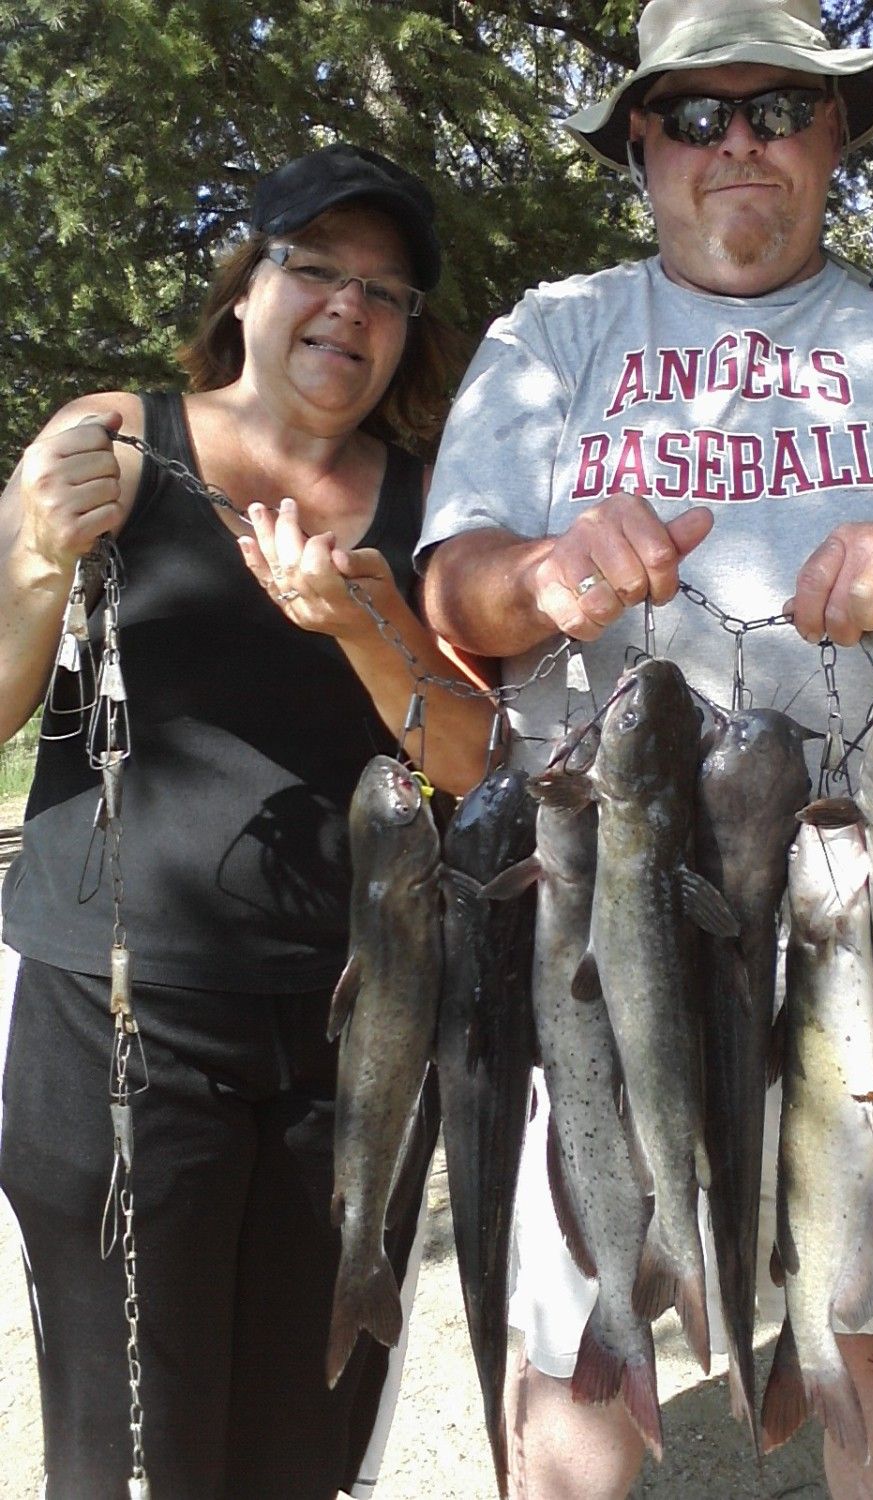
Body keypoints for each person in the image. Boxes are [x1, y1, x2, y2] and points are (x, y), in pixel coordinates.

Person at [416, 2, 873, 1497]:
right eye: (694, 114)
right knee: (583, 1349)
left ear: (832, 133)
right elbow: (452, 586)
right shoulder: (552, 336)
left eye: (778, 107)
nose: (737, 142)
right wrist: (539, 572)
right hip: (601, 936)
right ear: (641, 146)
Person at [0, 142, 495, 1499]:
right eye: (315, 267)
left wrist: (361, 624)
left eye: (385, 291)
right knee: (133, 1446)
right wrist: (33, 559)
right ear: (246, 288)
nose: (348, 306)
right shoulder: (116, 443)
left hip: (362, 1032)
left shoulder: (432, 506)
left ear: (410, 328)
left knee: (299, 1444)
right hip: (121, 1019)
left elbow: (469, 757)